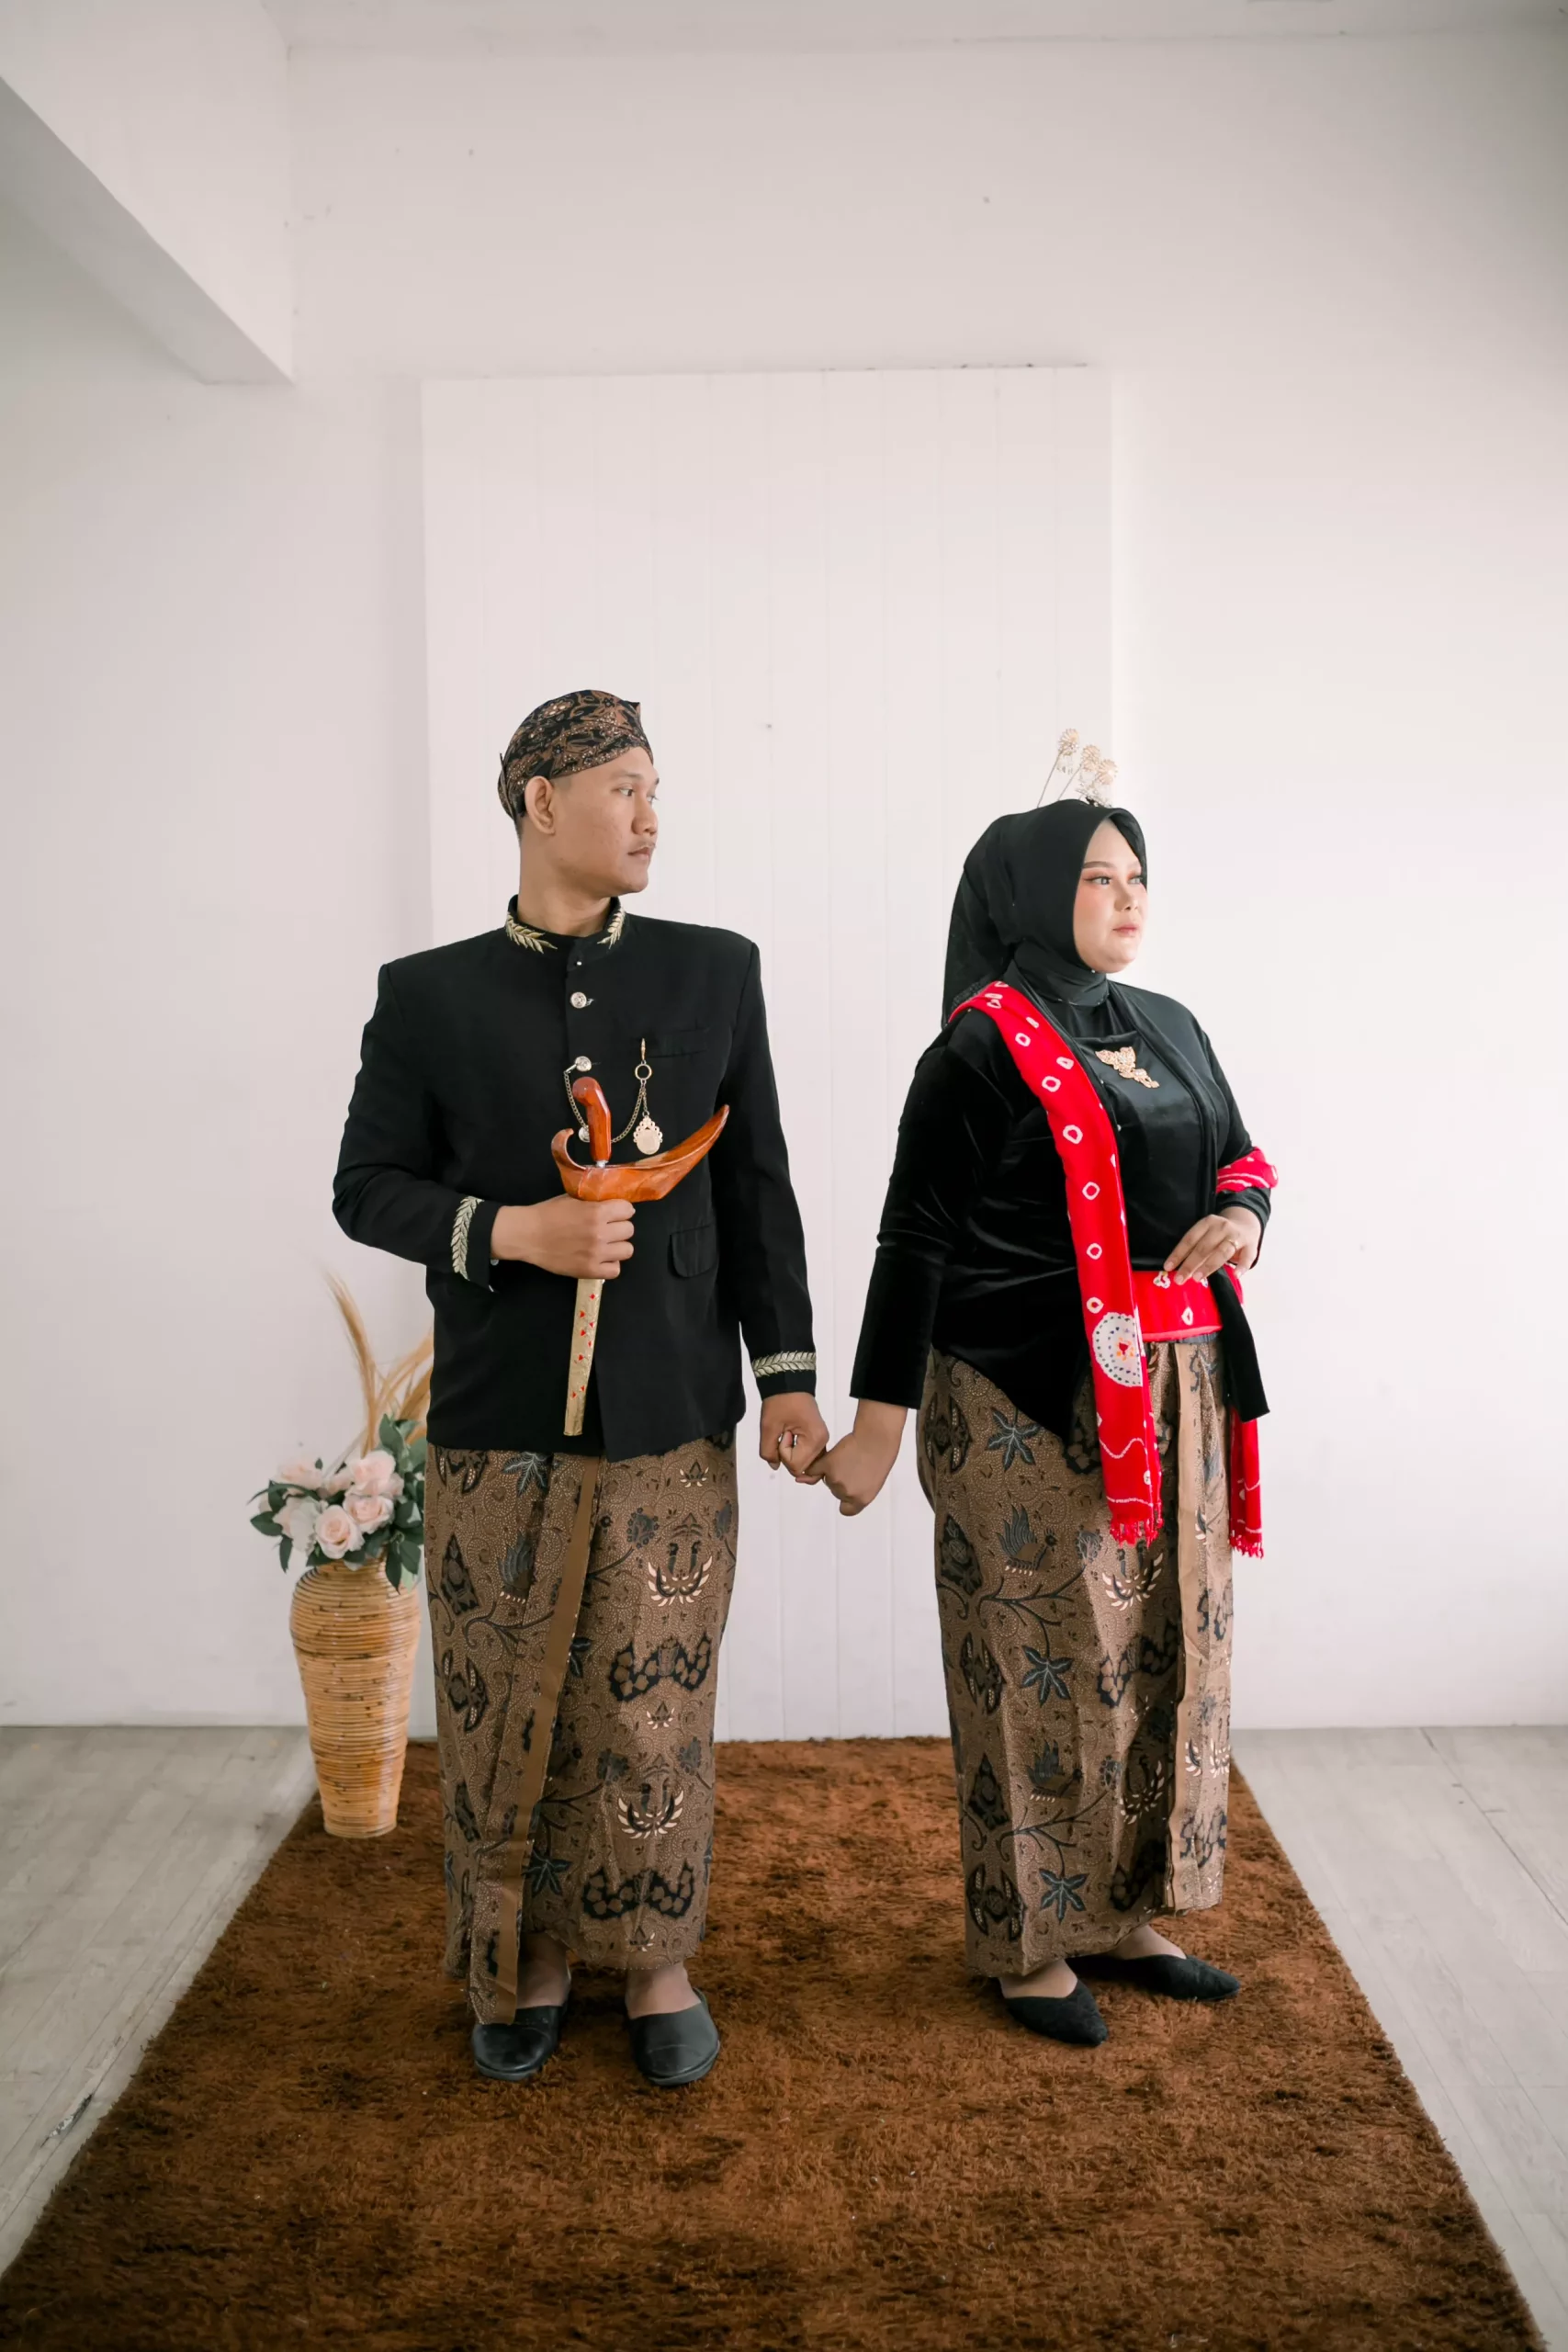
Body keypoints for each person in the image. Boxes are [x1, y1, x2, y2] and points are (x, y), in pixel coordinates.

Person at [334, 689, 825, 2086]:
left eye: (656, 789)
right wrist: (513, 1231)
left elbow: (757, 1187)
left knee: (652, 1701)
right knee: (505, 1698)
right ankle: (525, 1959)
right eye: (625, 789)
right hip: (498, 1412)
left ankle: (657, 1960)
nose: (652, 816)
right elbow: (365, 1186)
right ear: (541, 803)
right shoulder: (425, 995)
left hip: (674, 1406)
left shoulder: (715, 970)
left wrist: (786, 1376)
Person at [809, 797, 1276, 2046]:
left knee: (1163, 1652)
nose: (1130, 898)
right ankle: (1028, 1945)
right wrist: (877, 1427)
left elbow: (1240, 1158)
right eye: (1098, 877)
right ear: (1028, 892)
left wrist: (1244, 1220)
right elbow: (913, 1241)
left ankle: (1124, 1915)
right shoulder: (977, 1047)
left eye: (1138, 876)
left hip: (1177, 1388)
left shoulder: (1170, 1025)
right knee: (1040, 1666)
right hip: (1022, 1398)